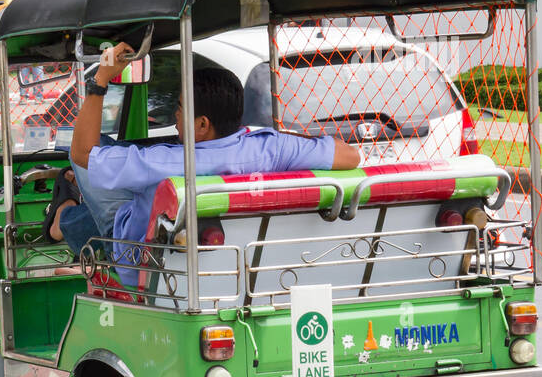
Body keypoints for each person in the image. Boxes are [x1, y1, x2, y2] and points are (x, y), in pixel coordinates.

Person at [46, 43, 360, 282]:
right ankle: (66, 218)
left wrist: (101, 78)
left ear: (202, 125)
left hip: (144, 268)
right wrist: (290, 143)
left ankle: (63, 219)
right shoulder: (271, 149)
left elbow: (82, 153)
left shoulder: (164, 162)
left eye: (180, 108)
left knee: (101, 162)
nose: (175, 115)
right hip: (246, 264)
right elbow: (350, 156)